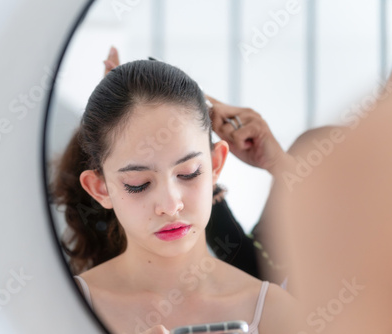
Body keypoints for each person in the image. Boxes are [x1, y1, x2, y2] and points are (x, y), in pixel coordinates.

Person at [52, 59, 297, 334]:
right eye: (138, 184)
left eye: (189, 173)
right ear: (100, 189)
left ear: (216, 165)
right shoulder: (60, 308)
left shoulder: (276, 312)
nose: (170, 206)